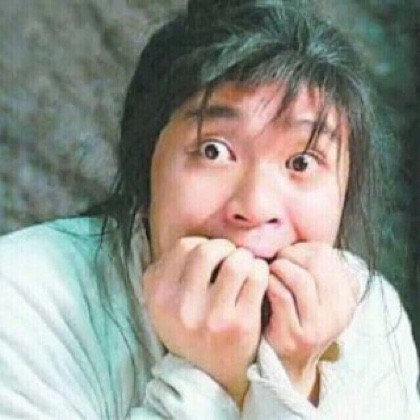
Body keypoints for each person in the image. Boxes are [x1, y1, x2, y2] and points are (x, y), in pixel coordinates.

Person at [0, 0, 419, 418]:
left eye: (301, 162)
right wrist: (206, 378)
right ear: (144, 167)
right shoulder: (20, 300)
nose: (256, 207)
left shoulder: (369, 315)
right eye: (213, 151)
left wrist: (294, 378)